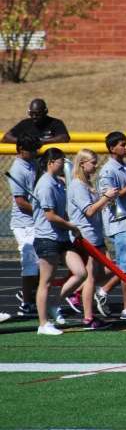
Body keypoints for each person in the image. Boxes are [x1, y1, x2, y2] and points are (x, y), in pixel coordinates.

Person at [33, 148, 87, 335]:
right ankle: (43, 324)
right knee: (46, 282)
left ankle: (54, 303)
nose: (63, 165)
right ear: (50, 162)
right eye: (60, 161)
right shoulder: (45, 185)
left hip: (61, 237)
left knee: (80, 272)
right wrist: (72, 227)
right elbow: (50, 216)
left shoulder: (57, 182)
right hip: (48, 238)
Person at [68, 149, 119, 330]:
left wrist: (106, 199)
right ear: (82, 163)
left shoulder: (87, 183)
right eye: (93, 163)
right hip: (86, 236)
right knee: (90, 277)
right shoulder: (78, 186)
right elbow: (89, 211)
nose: (96, 166)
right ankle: (88, 318)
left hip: (96, 235)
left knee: (112, 268)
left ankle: (77, 291)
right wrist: (106, 197)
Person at [97, 132, 126, 321]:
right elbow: (109, 199)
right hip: (118, 223)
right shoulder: (107, 171)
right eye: (122, 145)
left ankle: (104, 291)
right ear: (112, 148)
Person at [8, 132, 41, 318]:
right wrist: (43, 213)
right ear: (21, 149)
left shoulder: (32, 163)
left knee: (43, 262)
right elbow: (20, 202)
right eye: (32, 150)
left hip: (34, 221)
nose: (36, 153)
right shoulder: (18, 169)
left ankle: (27, 293)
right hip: (24, 224)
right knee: (31, 263)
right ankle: (26, 303)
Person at [2, 99, 70, 144]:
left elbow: (65, 137)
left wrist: (40, 141)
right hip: (30, 160)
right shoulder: (25, 123)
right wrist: (25, 142)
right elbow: (6, 137)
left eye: (37, 114)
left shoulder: (55, 123)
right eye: (31, 114)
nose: (34, 117)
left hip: (50, 160)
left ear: (45, 112)